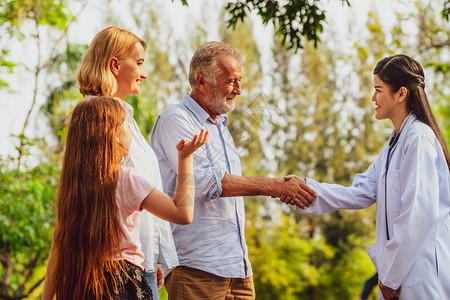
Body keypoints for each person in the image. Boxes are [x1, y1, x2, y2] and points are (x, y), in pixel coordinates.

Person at [150, 41, 317, 299]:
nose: (239, 89)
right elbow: (205, 183)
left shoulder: (221, 127)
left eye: (239, 80)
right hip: (197, 269)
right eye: (231, 81)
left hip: (238, 270)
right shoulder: (176, 118)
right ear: (202, 82)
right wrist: (275, 186)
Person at [282, 54, 450, 299]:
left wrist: (392, 276)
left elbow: (418, 212)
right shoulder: (394, 143)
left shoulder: (419, 139)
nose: (373, 98)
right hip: (398, 277)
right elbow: (360, 192)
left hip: (418, 276)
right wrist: (305, 190)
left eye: (378, 90)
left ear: (401, 93)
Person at [41, 97, 209, 299]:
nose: (131, 131)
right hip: (123, 285)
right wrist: (185, 158)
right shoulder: (125, 179)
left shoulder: (73, 187)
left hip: (82, 286)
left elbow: (57, 248)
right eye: (127, 125)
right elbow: (182, 213)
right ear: (113, 134)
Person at [76, 26, 177, 298]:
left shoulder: (127, 118)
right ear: (115, 65)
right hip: (111, 271)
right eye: (140, 63)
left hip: (139, 264)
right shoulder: (97, 121)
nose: (144, 73)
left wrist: (154, 255)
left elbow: (141, 195)